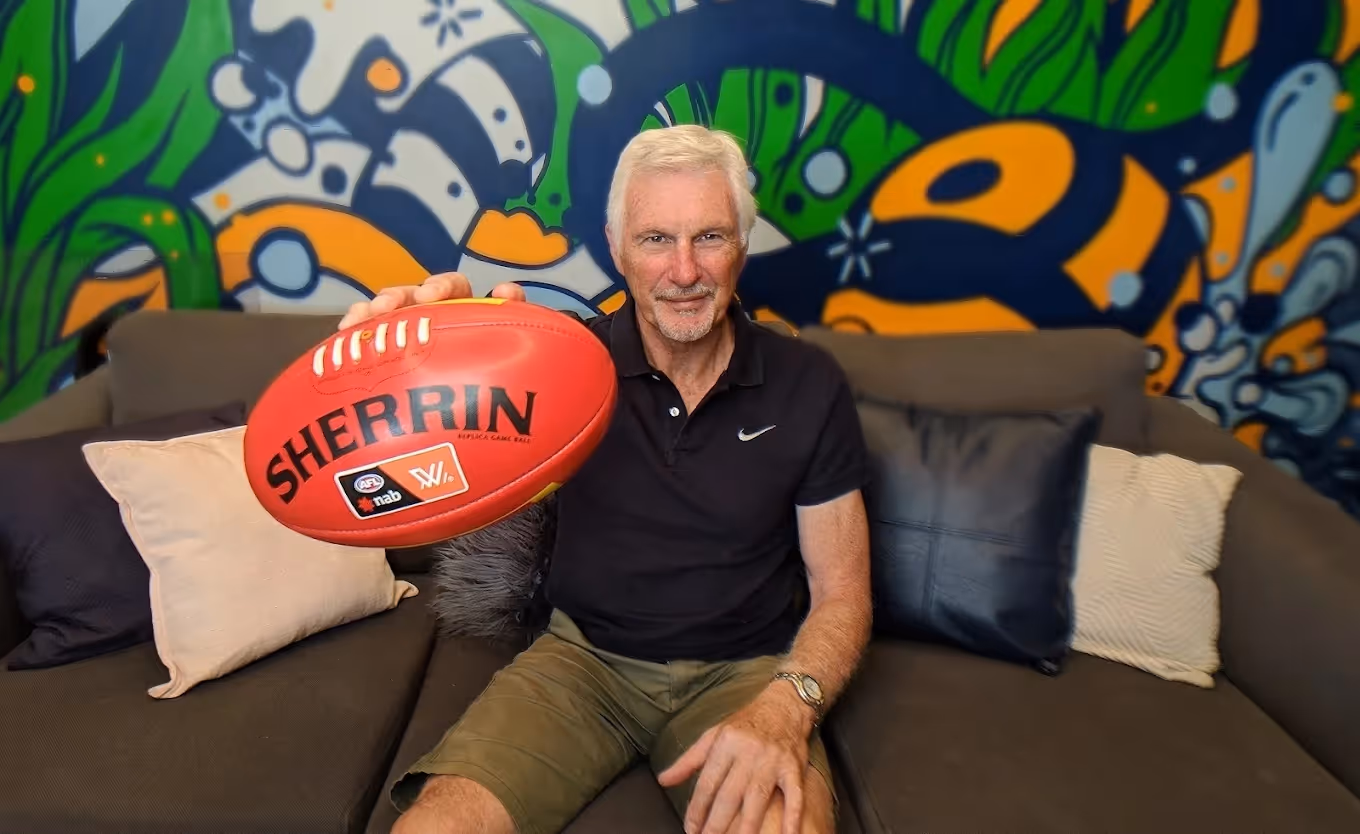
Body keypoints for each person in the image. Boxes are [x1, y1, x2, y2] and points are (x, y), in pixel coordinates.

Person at [346, 125, 871, 834]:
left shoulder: (809, 383)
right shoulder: (555, 366)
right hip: (582, 663)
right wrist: (408, 363)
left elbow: (843, 593)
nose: (684, 271)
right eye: (656, 239)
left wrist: (786, 706)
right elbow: (411, 461)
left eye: (709, 237)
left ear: (742, 245)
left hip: (746, 672)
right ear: (617, 247)